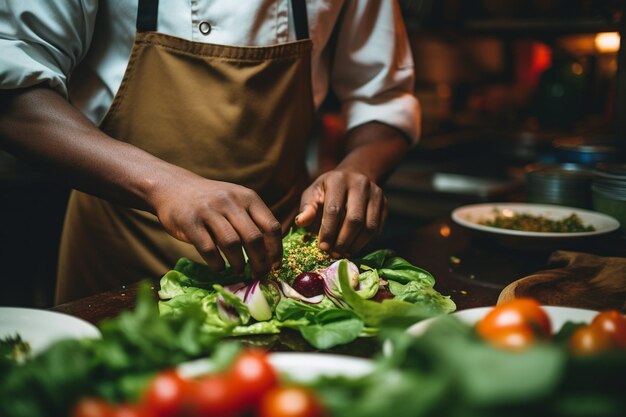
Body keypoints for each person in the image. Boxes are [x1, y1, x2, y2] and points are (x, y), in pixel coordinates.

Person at [0, 0, 420, 304]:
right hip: (118, 257)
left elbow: (382, 99)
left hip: (275, 268)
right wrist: (163, 185)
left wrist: (357, 168)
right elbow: (13, 93)